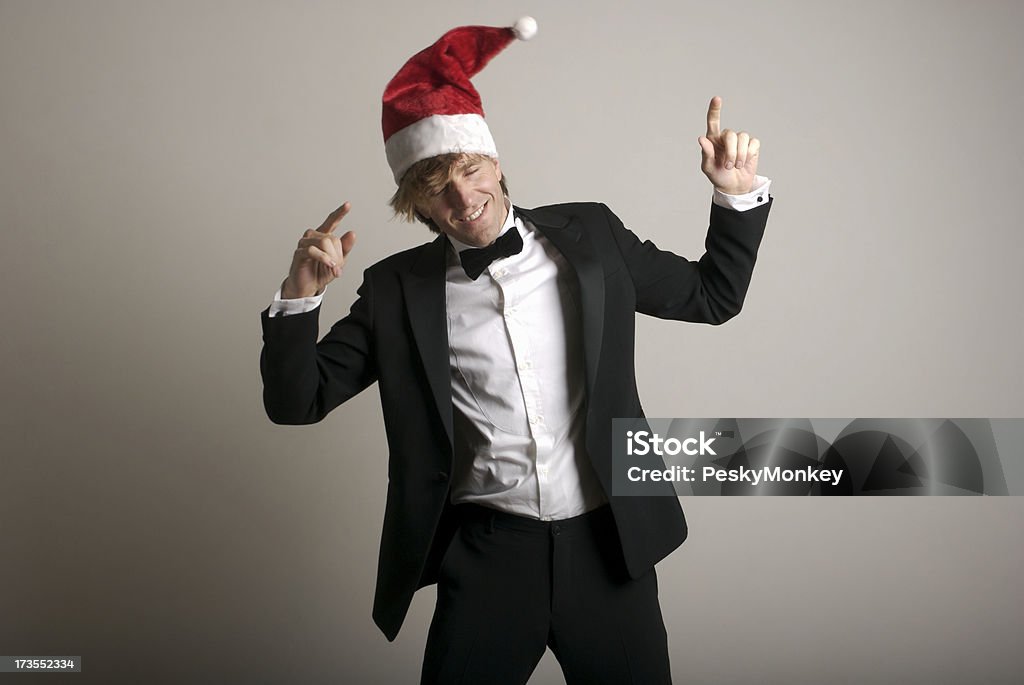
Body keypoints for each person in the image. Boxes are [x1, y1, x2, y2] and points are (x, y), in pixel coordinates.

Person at [260, 17, 772, 685]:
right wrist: (299, 297)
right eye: (435, 188)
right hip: (490, 557)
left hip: (607, 545)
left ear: (494, 159)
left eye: (469, 169)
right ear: (415, 205)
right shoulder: (395, 291)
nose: (462, 197)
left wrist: (733, 196)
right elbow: (297, 401)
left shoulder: (592, 234)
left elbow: (713, 296)